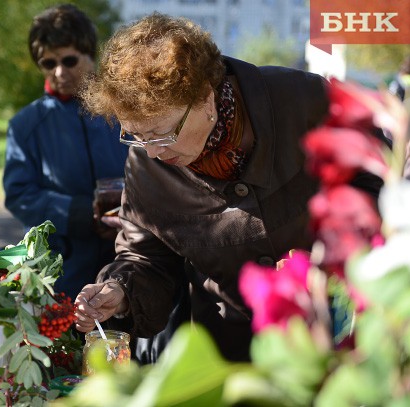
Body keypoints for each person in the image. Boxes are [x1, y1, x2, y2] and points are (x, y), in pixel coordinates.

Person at [73, 14, 385, 361]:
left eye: (163, 133)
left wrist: (334, 252)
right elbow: (147, 256)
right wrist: (121, 289)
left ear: (205, 98)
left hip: (343, 336)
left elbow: (376, 180)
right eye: (136, 135)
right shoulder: (147, 166)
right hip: (231, 354)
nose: (153, 151)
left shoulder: (303, 101)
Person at [3, 5, 128, 301]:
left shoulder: (127, 113)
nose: (60, 72)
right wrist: (83, 214)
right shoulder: (25, 126)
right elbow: (20, 195)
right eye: (48, 63)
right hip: (62, 274)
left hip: (128, 266)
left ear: (89, 54)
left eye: (69, 60)